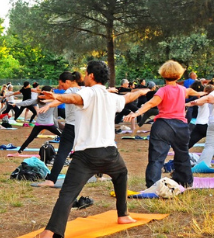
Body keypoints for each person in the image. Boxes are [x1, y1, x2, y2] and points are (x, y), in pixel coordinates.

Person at [36, 61, 148, 238]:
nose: (84, 76)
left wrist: (57, 96)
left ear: (91, 76)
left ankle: (50, 232)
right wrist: (142, 91)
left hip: (86, 156)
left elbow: (74, 99)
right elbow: (128, 98)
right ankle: (123, 215)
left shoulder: (87, 92)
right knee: (121, 175)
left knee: (68, 193)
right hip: (110, 153)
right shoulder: (110, 96)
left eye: (86, 73)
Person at [125, 60, 201, 188]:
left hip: (163, 126)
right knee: (182, 155)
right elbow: (191, 92)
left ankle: (153, 185)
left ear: (163, 74)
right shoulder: (182, 90)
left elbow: (150, 103)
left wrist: (136, 113)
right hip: (181, 127)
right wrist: (202, 93)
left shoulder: (163, 90)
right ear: (179, 75)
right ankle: (185, 182)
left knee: (157, 158)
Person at [37, 71, 82, 187]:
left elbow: (60, 100)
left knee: (62, 153)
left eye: (62, 85)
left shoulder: (69, 91)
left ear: (67, 82)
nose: (61, 88)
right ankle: (99, 175)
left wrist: (48, 105)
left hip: (71, 126)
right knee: (93, 151)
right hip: (84, 127)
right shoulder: (85, 90)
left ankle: (51, 180)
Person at [186, 86, 214, 167]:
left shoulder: (206, 98)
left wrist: (192, 102)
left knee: (209, 146)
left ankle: (203, 164)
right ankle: (203, 164)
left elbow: (203, 100)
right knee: (210, 145)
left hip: (204, 124)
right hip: (207, 125)